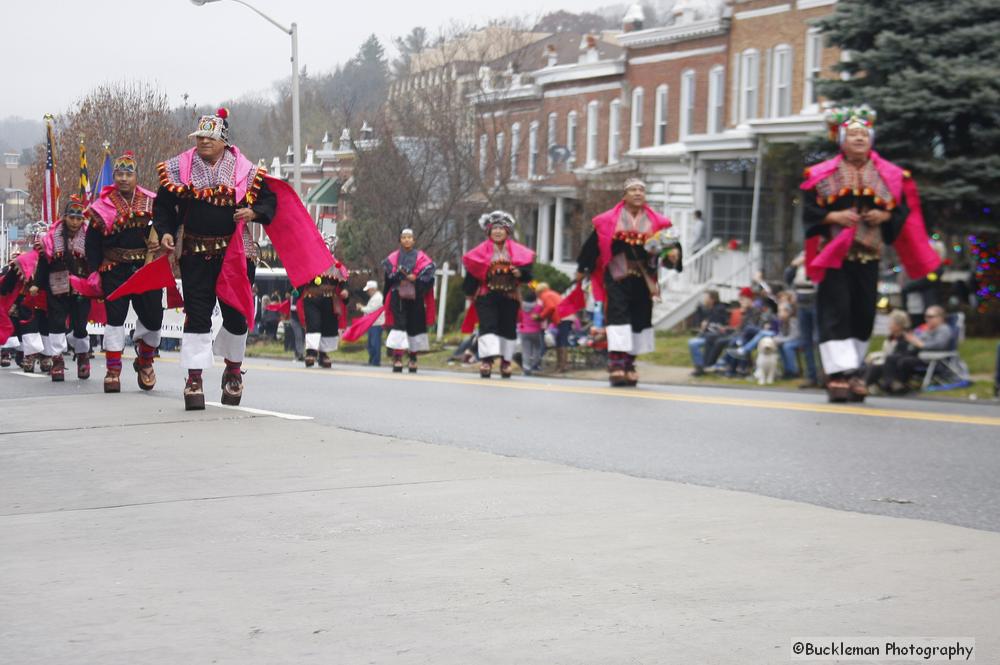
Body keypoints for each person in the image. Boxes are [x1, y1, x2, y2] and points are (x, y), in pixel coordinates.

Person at [153, 108, 333, 409]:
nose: (204, 142)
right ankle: (194, 378)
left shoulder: (244, 171)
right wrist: (165, 231)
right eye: (200, 137)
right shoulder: (180, 168)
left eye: (210, 137)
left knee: (237, 315)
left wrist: (254, 212)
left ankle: (233, 370)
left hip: (235, 255)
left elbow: (268, 200)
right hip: (196, 254)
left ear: (223, 140)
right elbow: (163, 206)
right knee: (197, 317)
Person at [802, 106, 939, 402]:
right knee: (835, 313)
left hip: (868, 254)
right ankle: (837, 375)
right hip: (834, 257)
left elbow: (901, 211)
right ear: (841, 140)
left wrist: (884, 216)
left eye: (864, 134)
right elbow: (810, 211)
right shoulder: (821, 174)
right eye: (853, 134)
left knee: (862, 314)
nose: (859, 138)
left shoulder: (888, 175)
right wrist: (833, 218)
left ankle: (853, 372)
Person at [575, 178, 680, 387]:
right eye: (633, 190)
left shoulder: (658, 222)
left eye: (641, 190)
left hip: (643, 278)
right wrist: (582, 269)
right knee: (618, 316)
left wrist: (673, 255)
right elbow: (592, 246)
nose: (638, 193)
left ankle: (630, 363)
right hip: (617, 275)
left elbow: (670, 246)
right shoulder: (608, 221)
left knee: (639, 318)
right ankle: (616, 363)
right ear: (624, 195)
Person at [85, 150, 164, 392]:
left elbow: (166, 227)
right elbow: (92, 242)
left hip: (144, 268)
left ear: (136, 177)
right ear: (114, 177)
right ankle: (113, 370)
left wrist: (160, 241)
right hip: (114, 269)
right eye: (119, 174)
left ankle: (145, 358)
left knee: (154, 320)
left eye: (128, 174)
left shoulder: (152, 201)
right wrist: (94, 272)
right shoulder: (102, 206)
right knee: (115, 320)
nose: (123, 179)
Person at [463, 210, 534, 379]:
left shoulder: (519, 251)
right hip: (486, 295)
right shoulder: (479, 252)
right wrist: (469, 292)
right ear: (488, 231)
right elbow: (472, 273)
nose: (498, 231)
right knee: (487, 327)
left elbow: (528, 274)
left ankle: (506, 362)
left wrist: (520, 273)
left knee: (508, 329)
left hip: (510, 296)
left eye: (501, 228)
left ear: (507, 231)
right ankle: (486, 361)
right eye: (494, 228)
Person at [36, 199, 95, 381]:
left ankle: (83, 357)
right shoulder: (51, 238)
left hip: (80, 288)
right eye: (72, 217)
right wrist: (36, 284)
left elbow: (94, 261)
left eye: (79, 218)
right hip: (57, 287)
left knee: (80, 325)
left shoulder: (89, 237)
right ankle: (57, 360)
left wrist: (98, 283)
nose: (75, 222)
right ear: (64, 217)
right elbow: (44, 262)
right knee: (56, 324)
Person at [382, 229, 435, 373]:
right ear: (400, 240)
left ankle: (413, 358)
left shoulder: (422, 258)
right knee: (399, 326)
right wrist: (385, 297)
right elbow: (388, 281)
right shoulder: (392, 258)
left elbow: (429, 279)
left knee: (414, 326)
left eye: (409, 237)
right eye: (404, 237)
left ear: (414, 240)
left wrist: (416, 279)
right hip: (397, 296)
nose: (406, 240)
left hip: (416, 296)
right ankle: (397, 357)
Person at [295, 237, 349, 369]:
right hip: (312, 298)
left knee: (328, 326)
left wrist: (345, 293)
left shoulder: (338, 267)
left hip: (329, 300)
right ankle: (311, 352)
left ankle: (324, 354)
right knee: (314, 323)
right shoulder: (309, 263)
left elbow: (343, 285)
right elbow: (300, 280)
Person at [879, 305, 953, 394]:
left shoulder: (944, 329)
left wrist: (921, 344)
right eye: (925, 316)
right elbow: (915, 339)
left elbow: (940, 345)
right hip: (920, 355)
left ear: (940, 318)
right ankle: (891, 383)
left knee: (904, 361)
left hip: (932, 360)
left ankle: (899, 384)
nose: (927, 319)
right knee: (891, 358)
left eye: (930, 317)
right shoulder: (927, 329)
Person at [864, 309, 912, 391]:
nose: (888, 325)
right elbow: (885, 352)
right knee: (866, 362)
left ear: (898, 325)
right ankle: (864, 384)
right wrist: (874, 355)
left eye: (891, 322)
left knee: (876, 366)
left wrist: (877, 356)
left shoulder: (906, 338)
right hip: (887, 359)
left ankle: (865, 385)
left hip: (897, 362)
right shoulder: (890, 337)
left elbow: (900, 353)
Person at [688, 289, 730, 376]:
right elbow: (699, 322)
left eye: (706, 297)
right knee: (692, 342)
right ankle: (700, 366)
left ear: (712, 299)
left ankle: (700, 367)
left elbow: (719, 325)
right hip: (708, 336)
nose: (704, 299)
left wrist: (706, 325)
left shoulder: (719, 309)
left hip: (716, 337)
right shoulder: (708, 309)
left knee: (693, 343)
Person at [535, 282, 565, 372]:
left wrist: (540, 316)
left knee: (561, 343)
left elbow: (550, 307)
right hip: (565, 316)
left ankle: (561, 366)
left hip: (562, 318)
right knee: (561, 342)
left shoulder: (545, 295)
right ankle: (560, 366)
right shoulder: (552, 293)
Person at [357, 280, 384, 367]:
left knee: (374, 343)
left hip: (376, 324)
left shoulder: (377, 298)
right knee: (371, 343)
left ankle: (375, 361)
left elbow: (370, 310)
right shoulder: (375, 297)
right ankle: (372, 360)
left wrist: (361, 307)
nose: (368, 292)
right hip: (373, 323)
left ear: (373, 289)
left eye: (368, 290)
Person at [518, 289, 545, 375]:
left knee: (526, 350)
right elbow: (541, 317)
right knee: (537, 348)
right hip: (536, 331)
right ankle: (534, 364)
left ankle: (526, 368)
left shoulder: (521, 306)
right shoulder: (539, 307)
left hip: (523, 330)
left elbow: (519, 317)